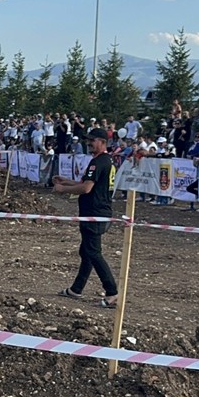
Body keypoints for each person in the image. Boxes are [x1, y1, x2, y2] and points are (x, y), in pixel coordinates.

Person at [52, 127, 118, 307]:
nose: (89, 143)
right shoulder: (104, 161)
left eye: (93, 140)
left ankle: (112, 292)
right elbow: (87, 185)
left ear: (102, 142)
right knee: (87, 252)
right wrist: (66, 181)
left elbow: (86, 188)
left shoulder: (99, 162)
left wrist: (62, 190)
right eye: (88, 140)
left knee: (93, 253)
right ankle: (76, 289)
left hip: (95, 213)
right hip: (97, 212)